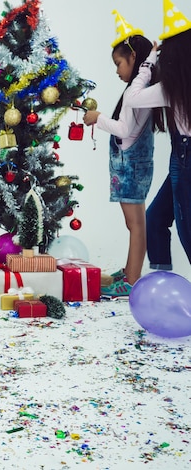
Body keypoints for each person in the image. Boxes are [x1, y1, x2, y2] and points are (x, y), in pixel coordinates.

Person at [83, 12, 163, 296]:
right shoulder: (137, 90)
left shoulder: (136, 94)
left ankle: (131, 280)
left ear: (132, 58)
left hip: (131, 168)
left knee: (135, 224)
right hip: (132, 166)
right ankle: (131, 272)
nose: (117, 70)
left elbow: (125, 129)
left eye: (119, 63)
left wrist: (97, 117)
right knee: (136, 223)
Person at [124, 1, 191, 272]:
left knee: (186, 226)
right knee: (155, 217)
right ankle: (162, 281)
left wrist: (149, 60)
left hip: (186, 157)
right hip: (182, 156)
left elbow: (132, 97)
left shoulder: (171, 88)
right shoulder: (177, 87)